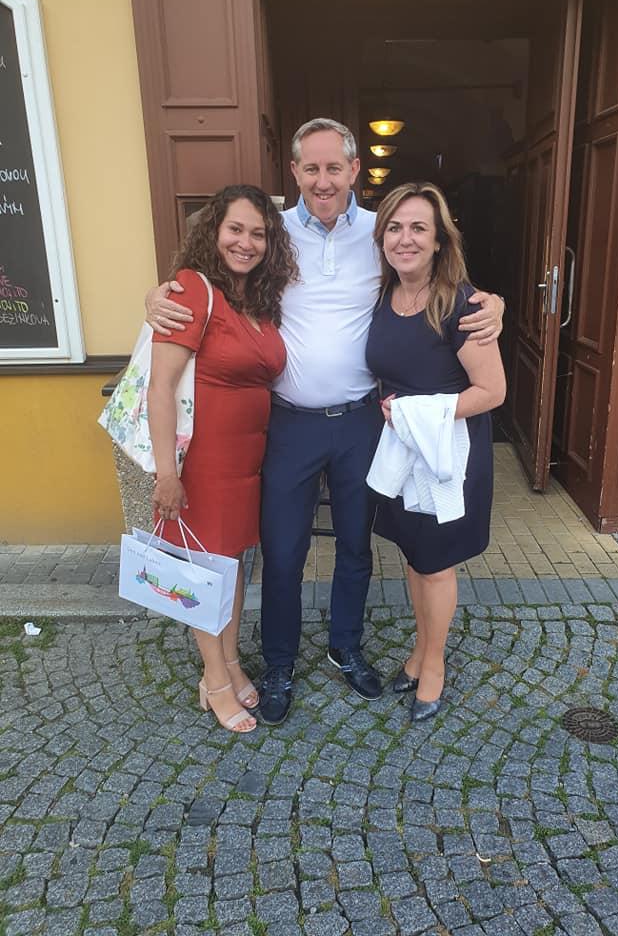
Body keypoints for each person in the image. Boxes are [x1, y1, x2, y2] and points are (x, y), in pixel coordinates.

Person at [145, 118, 505, 727]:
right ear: (294, 172)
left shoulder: (382, 231)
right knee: (283, 551)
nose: (323, 180)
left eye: (334, 167)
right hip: (289, 423)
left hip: (362, 421)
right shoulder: (271, 232)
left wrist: (494, 303)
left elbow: (435, 278)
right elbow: (213, 275)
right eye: (310, 168)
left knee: (356, 547)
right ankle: (279, 663)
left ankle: (346, 647)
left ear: (354, 170)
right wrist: (157, 296)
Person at [147, 184, 297, 733]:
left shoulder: (255, 300)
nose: (246, 242)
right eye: (235, 229)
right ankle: (213, 681)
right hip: (203, 463)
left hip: (246, 464)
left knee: (229, 567)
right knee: (206, 572)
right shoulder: (192, 288)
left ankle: (230, 661)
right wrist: (168, 474)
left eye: (258, 234)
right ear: (214, 231)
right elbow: (160, 388)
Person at [365, 182, 506, 722]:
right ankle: (419, 652)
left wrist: (418, 412)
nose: (405, 239)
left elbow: (492, 391)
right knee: (413, 556)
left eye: (418, 228)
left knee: (437, 565)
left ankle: (435, 665)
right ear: (382, 238)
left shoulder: (462, 305)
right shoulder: (385, 295)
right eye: (395, 228)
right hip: (404, 452)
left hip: (449, 456)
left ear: (439, 240)